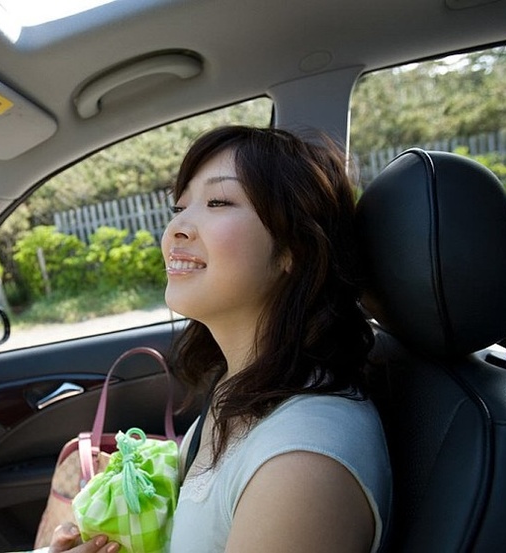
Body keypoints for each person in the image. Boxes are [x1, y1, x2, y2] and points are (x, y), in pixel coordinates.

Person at [49, 125, 391, 552]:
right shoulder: (243, 385)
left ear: (294, 249)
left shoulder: (300, 465)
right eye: (180, 205)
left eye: (218, 201)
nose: (177, 227)